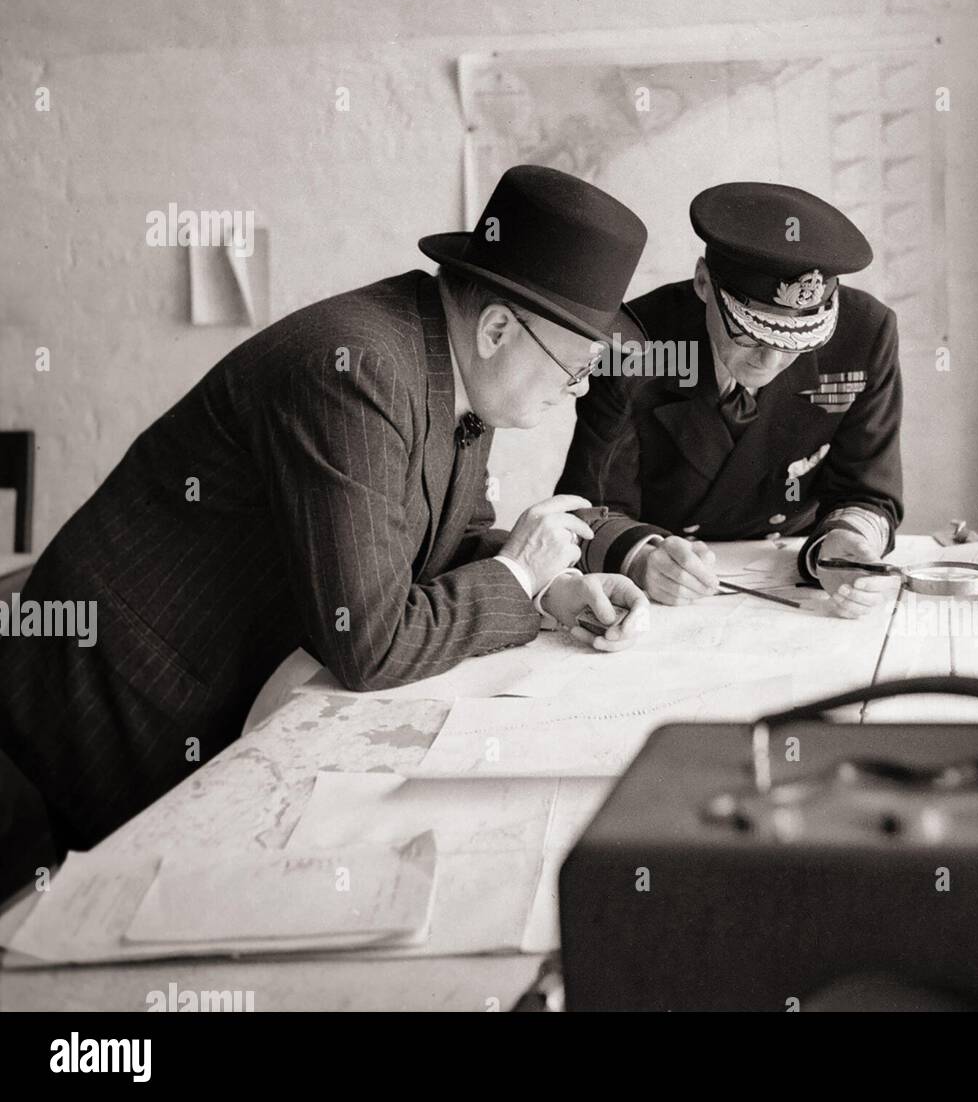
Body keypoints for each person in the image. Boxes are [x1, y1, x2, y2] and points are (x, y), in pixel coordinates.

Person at [0, 165, 649, 853]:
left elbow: (446, 538)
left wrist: (549, 587)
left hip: (192, 695)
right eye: (575, 367)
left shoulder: (447, 360)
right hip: (105, 712)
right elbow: (370, 645)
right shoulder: (356, 373)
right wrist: (516, 578)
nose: (577, 391)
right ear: (496, 329)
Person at [558, 181, 903, 618]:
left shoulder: (865, 334)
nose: (772, 358)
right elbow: (588, 509)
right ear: (704, 283)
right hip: (672, 571)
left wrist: (847, 543)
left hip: (793, 562)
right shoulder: (635, 344)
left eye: (800, 339)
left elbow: (868, 489)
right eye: (751, 332)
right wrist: (641, 557)